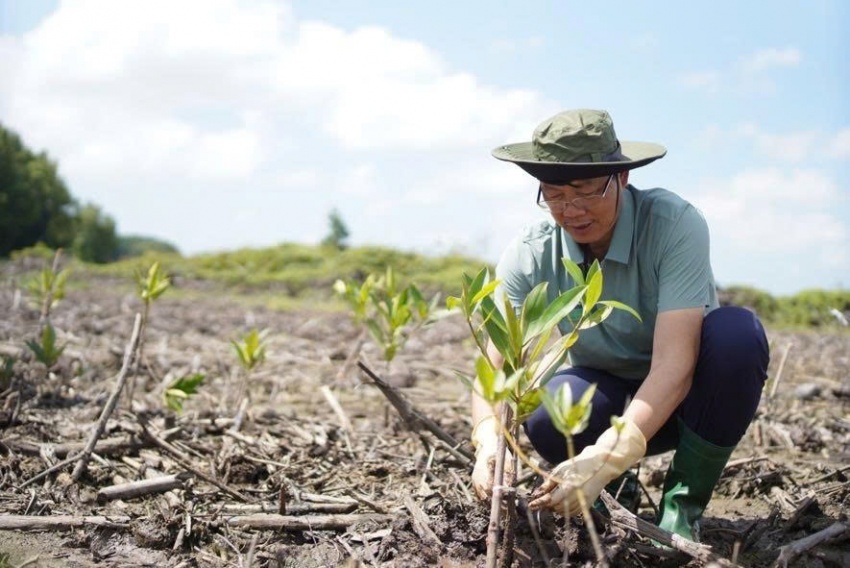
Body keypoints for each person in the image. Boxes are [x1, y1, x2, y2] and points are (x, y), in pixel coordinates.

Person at [469, 108, 770, 542]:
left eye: (586, 191)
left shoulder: (673, 225)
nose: (571, 210)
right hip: (605, 398)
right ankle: (615, 495)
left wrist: (613, 452)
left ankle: (681, 507)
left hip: (689, 402)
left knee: (736, 336)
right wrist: (487, 439)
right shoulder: (532, 250)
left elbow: (675, 363)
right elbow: (492, 367)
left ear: (622, 179)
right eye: (553, 194)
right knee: (552, 407)